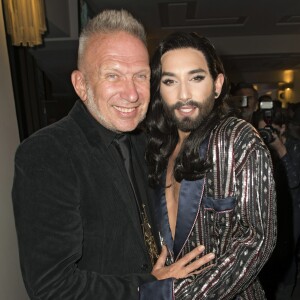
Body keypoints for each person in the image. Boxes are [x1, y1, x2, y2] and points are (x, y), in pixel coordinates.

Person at [12, 11, 213, 300]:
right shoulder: (47, 153)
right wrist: (148, 283)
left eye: (140, 76)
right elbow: (51, 287)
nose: (131, 94)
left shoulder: (144, 141)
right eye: (113, 75)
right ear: (81, 84)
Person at [140, 32, 277, 299]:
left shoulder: (238, 140)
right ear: (159, 88)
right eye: (170, 81)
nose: (184, 94)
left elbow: (258, 240)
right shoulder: (158, 148)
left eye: (196, 78)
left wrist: (179, 295)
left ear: (217, 84)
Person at [254, 99, 300, 299]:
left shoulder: (294, 147)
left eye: (271, 130)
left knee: (286, 270)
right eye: (263, 131)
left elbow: (294, 182)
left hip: (291, 218)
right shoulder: (254, 149)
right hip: (263, 219)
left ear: (282, 128)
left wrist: (281, 149)